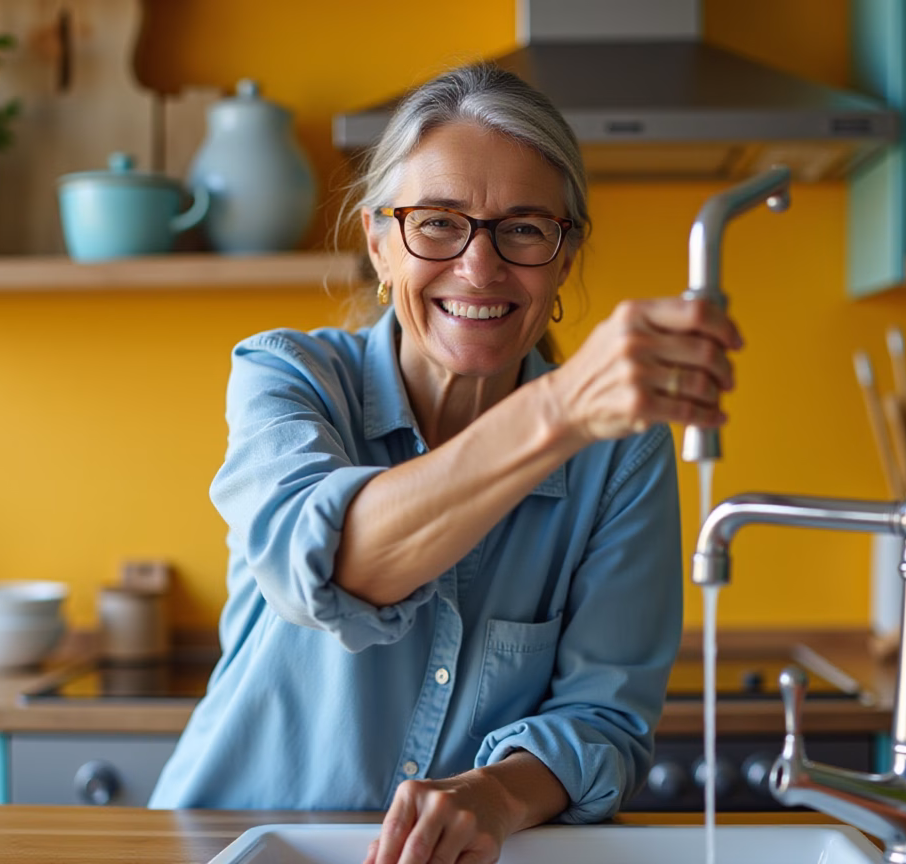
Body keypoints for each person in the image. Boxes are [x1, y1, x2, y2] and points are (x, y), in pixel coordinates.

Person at [149, 63, 743, 864]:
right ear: (379, 244)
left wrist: (495, 795)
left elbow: (603, 722)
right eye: (436, 222)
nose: (479, 267)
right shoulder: (285, 376)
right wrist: (560, 410)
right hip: (236, 844)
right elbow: (331, 566)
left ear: (564, 259)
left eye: (523, 229)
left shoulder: (621, 454)